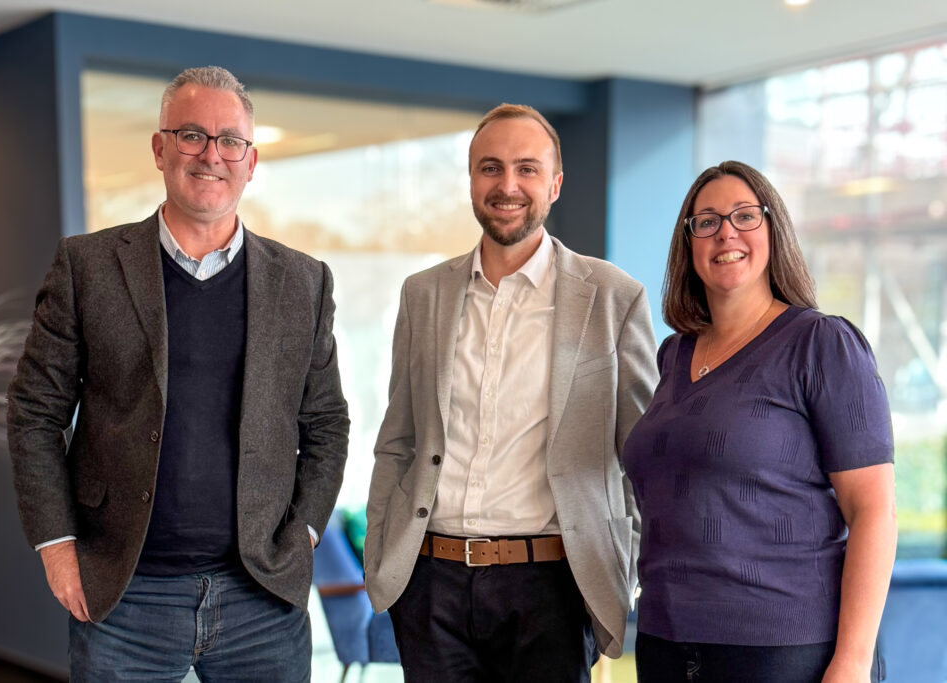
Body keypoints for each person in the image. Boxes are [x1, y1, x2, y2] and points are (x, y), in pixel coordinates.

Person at [7, 66, 349, 682]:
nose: (211, 155)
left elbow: (325, 422)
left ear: (250, 161)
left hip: (262, 600)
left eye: (230, 141)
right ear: (160, 148)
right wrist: (56, 546)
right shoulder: (88, 266)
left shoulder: (303, 281)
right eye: (191, 135)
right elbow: (34, 414)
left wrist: (304, 533)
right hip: (124, 596)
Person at [364, 103, 658, 682]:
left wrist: (625, 566)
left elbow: (643, 458)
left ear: (555, 184)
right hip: (430, 584)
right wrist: (382, 553)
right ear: (472, 180)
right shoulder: (423, 294)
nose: (507, 186)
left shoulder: (612, 297)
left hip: (552, 586)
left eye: (527, 169)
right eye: (491, 168)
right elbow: (398, 439)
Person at [622, 160, 896, 683]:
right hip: (664, 643)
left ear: (774, 230)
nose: (726, 232)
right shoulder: (674, 355)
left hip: (782, 650)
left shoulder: (820, 344)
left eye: (745, 216)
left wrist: (853, 663)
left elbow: (873, 511)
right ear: (688, 244)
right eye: (706, 221)